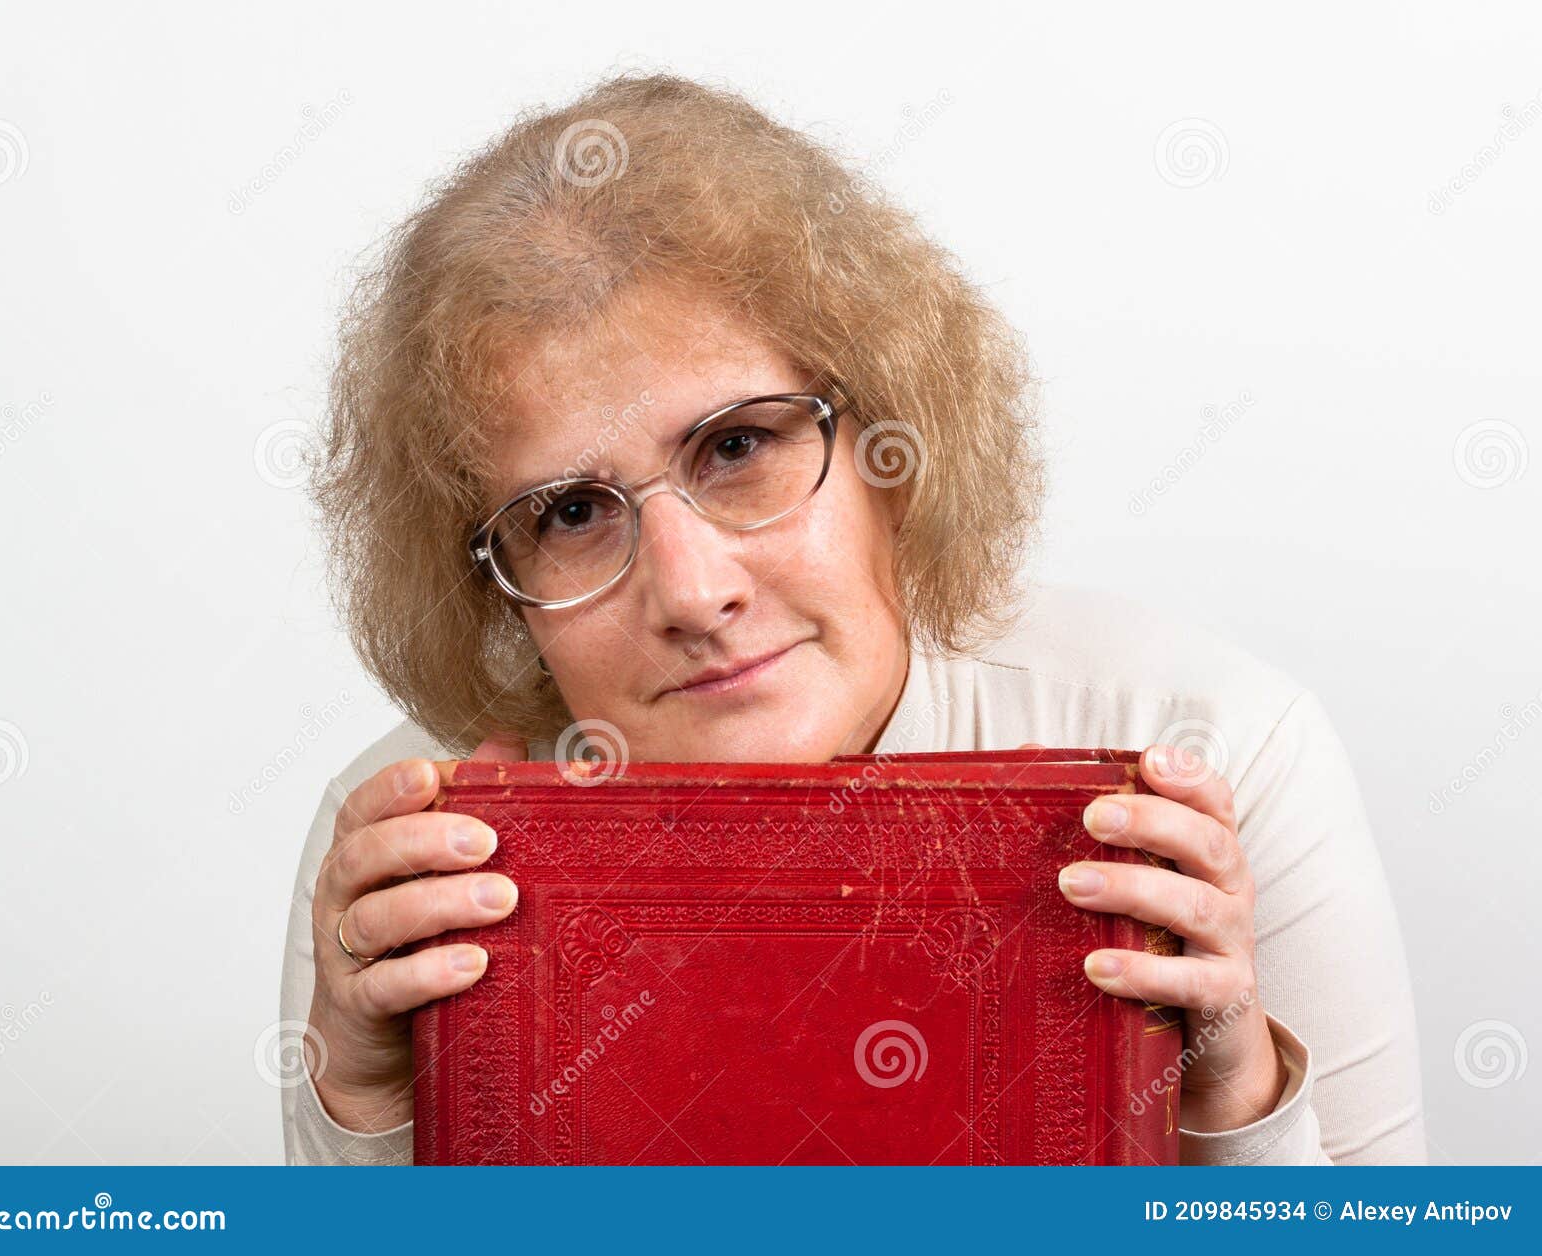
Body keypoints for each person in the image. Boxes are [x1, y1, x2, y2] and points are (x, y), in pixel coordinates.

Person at [280, 71, 1423, 1166]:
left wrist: (1233, 1098)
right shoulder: (404, 862)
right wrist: (371, 1110)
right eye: (571, 510)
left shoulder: (1213, 748)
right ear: (490, 579)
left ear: (893, 440)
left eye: (738, 446)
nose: (691, 592)